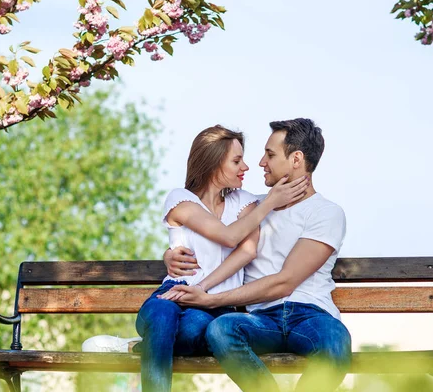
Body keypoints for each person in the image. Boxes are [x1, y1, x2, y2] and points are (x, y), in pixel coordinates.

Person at [83, 125, 309, 392]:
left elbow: (247, 250)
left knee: (191, 331)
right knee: (163, 313)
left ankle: (135, 345)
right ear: (214, 163)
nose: (246, 167)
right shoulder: (182, 200)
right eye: (236, 161)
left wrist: (202, 289)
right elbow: (227, 237)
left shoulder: (246, 203)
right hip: (174, 291)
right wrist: (270, 203)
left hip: (214, 307)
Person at [161, 118, 351, 392]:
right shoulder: (252, 207)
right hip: (261, 319)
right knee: (221, 330)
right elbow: (205, 237)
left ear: (296, 159)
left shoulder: (326, 213)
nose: (260, 162)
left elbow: (284, 282)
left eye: (270, 155)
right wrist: (169, 253)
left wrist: (211, 299)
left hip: (311, 316)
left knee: (336, 341)